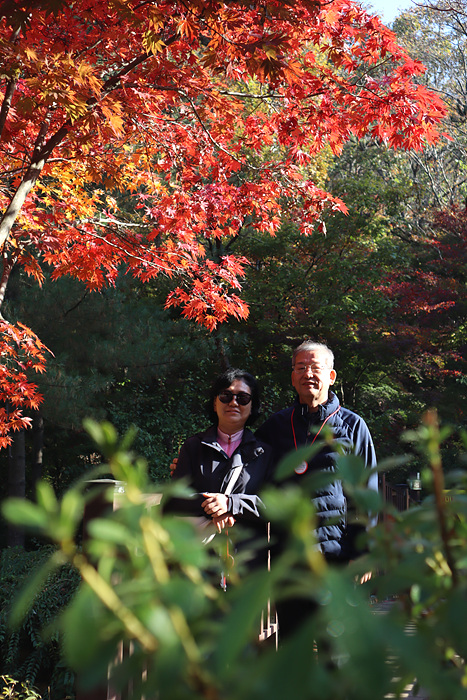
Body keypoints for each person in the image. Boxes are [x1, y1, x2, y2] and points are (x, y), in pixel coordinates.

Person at [255, 340, 378, 637]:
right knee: (291, 643)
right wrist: (198, 465)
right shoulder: (276, 427)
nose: (307, 374)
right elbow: (246, 466)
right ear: (292, 377)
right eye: (300, 367)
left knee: (337, 648)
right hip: (290, 558)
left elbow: (367, 493)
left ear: (331, 376)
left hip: (337, 557)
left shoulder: (353, 426)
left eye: (315, 367)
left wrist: (365, 551)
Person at [165, 368, 275, 574]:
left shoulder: (264, 453)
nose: (233, 402)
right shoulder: (193, 447)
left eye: (243, 398)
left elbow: (273, 504)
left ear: (252, 406)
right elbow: (175, 500)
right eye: (226, 396)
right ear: (215, 403)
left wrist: (231, 504)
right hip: (198, 564)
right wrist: (214, 506)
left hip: (247, 564)